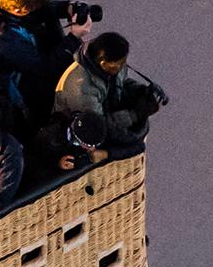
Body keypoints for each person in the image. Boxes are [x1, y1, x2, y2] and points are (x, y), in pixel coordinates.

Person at [48, 32, 155, 167]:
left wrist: (141, 91)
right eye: (118, 65)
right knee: (133, 142)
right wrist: (135, 115)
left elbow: (120, 82)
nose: (122, 67)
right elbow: (102, 125)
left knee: (136, 138)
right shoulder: (81, 89)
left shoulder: (111, 67)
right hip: (84, 125)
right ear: (103, 63)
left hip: (100, 111)